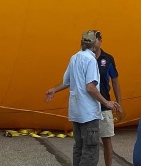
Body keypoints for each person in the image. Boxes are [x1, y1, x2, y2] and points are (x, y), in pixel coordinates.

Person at [46, 30, 122, 166]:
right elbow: (90, 87)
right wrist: (107, 102)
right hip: (89, 113)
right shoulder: (91, 60)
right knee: (90, 149)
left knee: (79, 147)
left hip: (76, 113)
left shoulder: (74, 58)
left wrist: (54, 90)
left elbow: (67, 81)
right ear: (94, 44)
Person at [92, 31, 122, 166]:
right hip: (89, 105)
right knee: (89, 141)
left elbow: (115, 81)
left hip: (105, 106)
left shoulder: (108, 59)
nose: (93, 43)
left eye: (95, 40)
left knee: (107, 139)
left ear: (100, 41)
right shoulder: (84, 57)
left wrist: (119, 104)